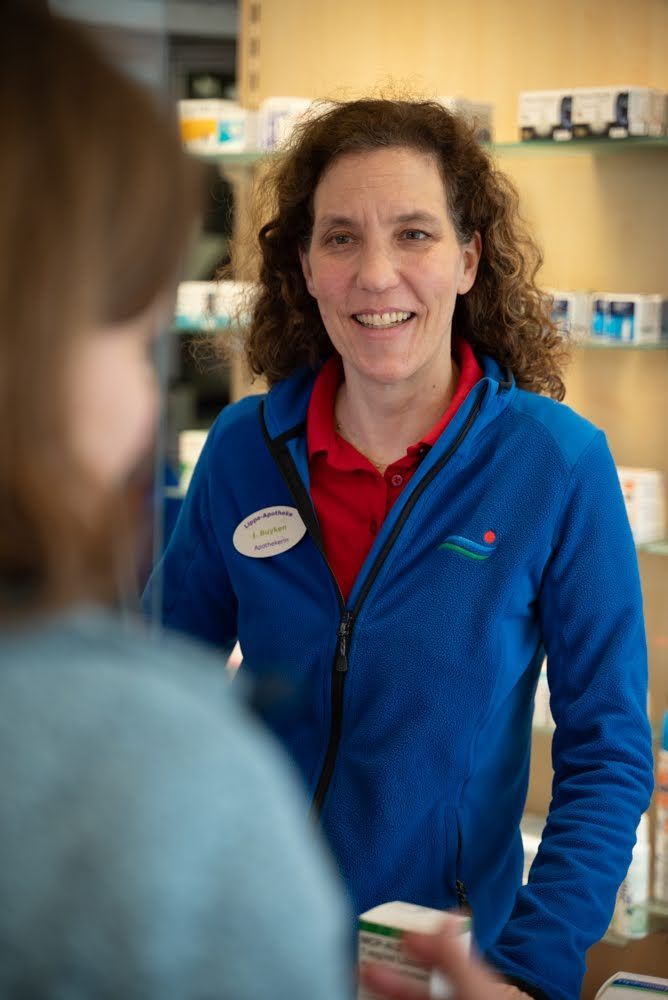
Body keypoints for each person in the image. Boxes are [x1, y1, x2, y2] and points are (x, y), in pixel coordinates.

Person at [146, 97, 654, 1000]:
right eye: (341, 238)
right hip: (251, 946)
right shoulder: (242, 451)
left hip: (448, 966)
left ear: (468, 259)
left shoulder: (556, 464)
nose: (377, 275)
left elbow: (607, 751)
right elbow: (157, 695)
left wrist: (530, 974)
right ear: (303, 267)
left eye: (414, 234)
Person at [0, 4, 351, 997]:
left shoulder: (553, 459)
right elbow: (170, 640)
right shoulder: (157, 778)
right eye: (129, 324)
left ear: (469, 258)